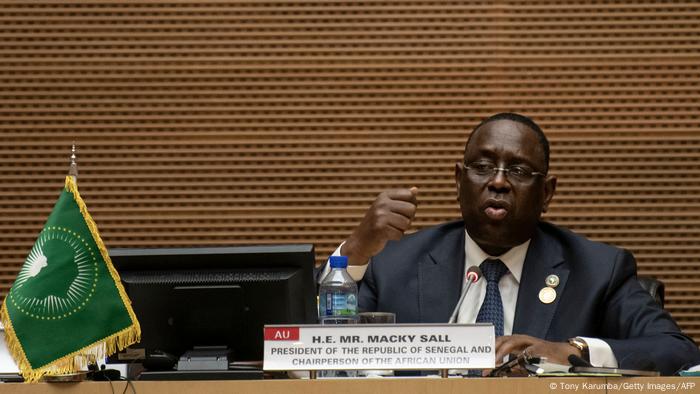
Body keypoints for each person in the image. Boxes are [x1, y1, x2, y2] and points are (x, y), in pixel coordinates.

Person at [323, 112, 700, 376]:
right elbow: (308, 353)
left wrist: (574, 352)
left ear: (547, 193)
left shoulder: (598, 271)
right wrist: (355, 249)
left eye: (518, 171)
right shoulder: (392, 263)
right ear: (458, 180)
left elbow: (678, 351)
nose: (498, 182)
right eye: (483, 167)